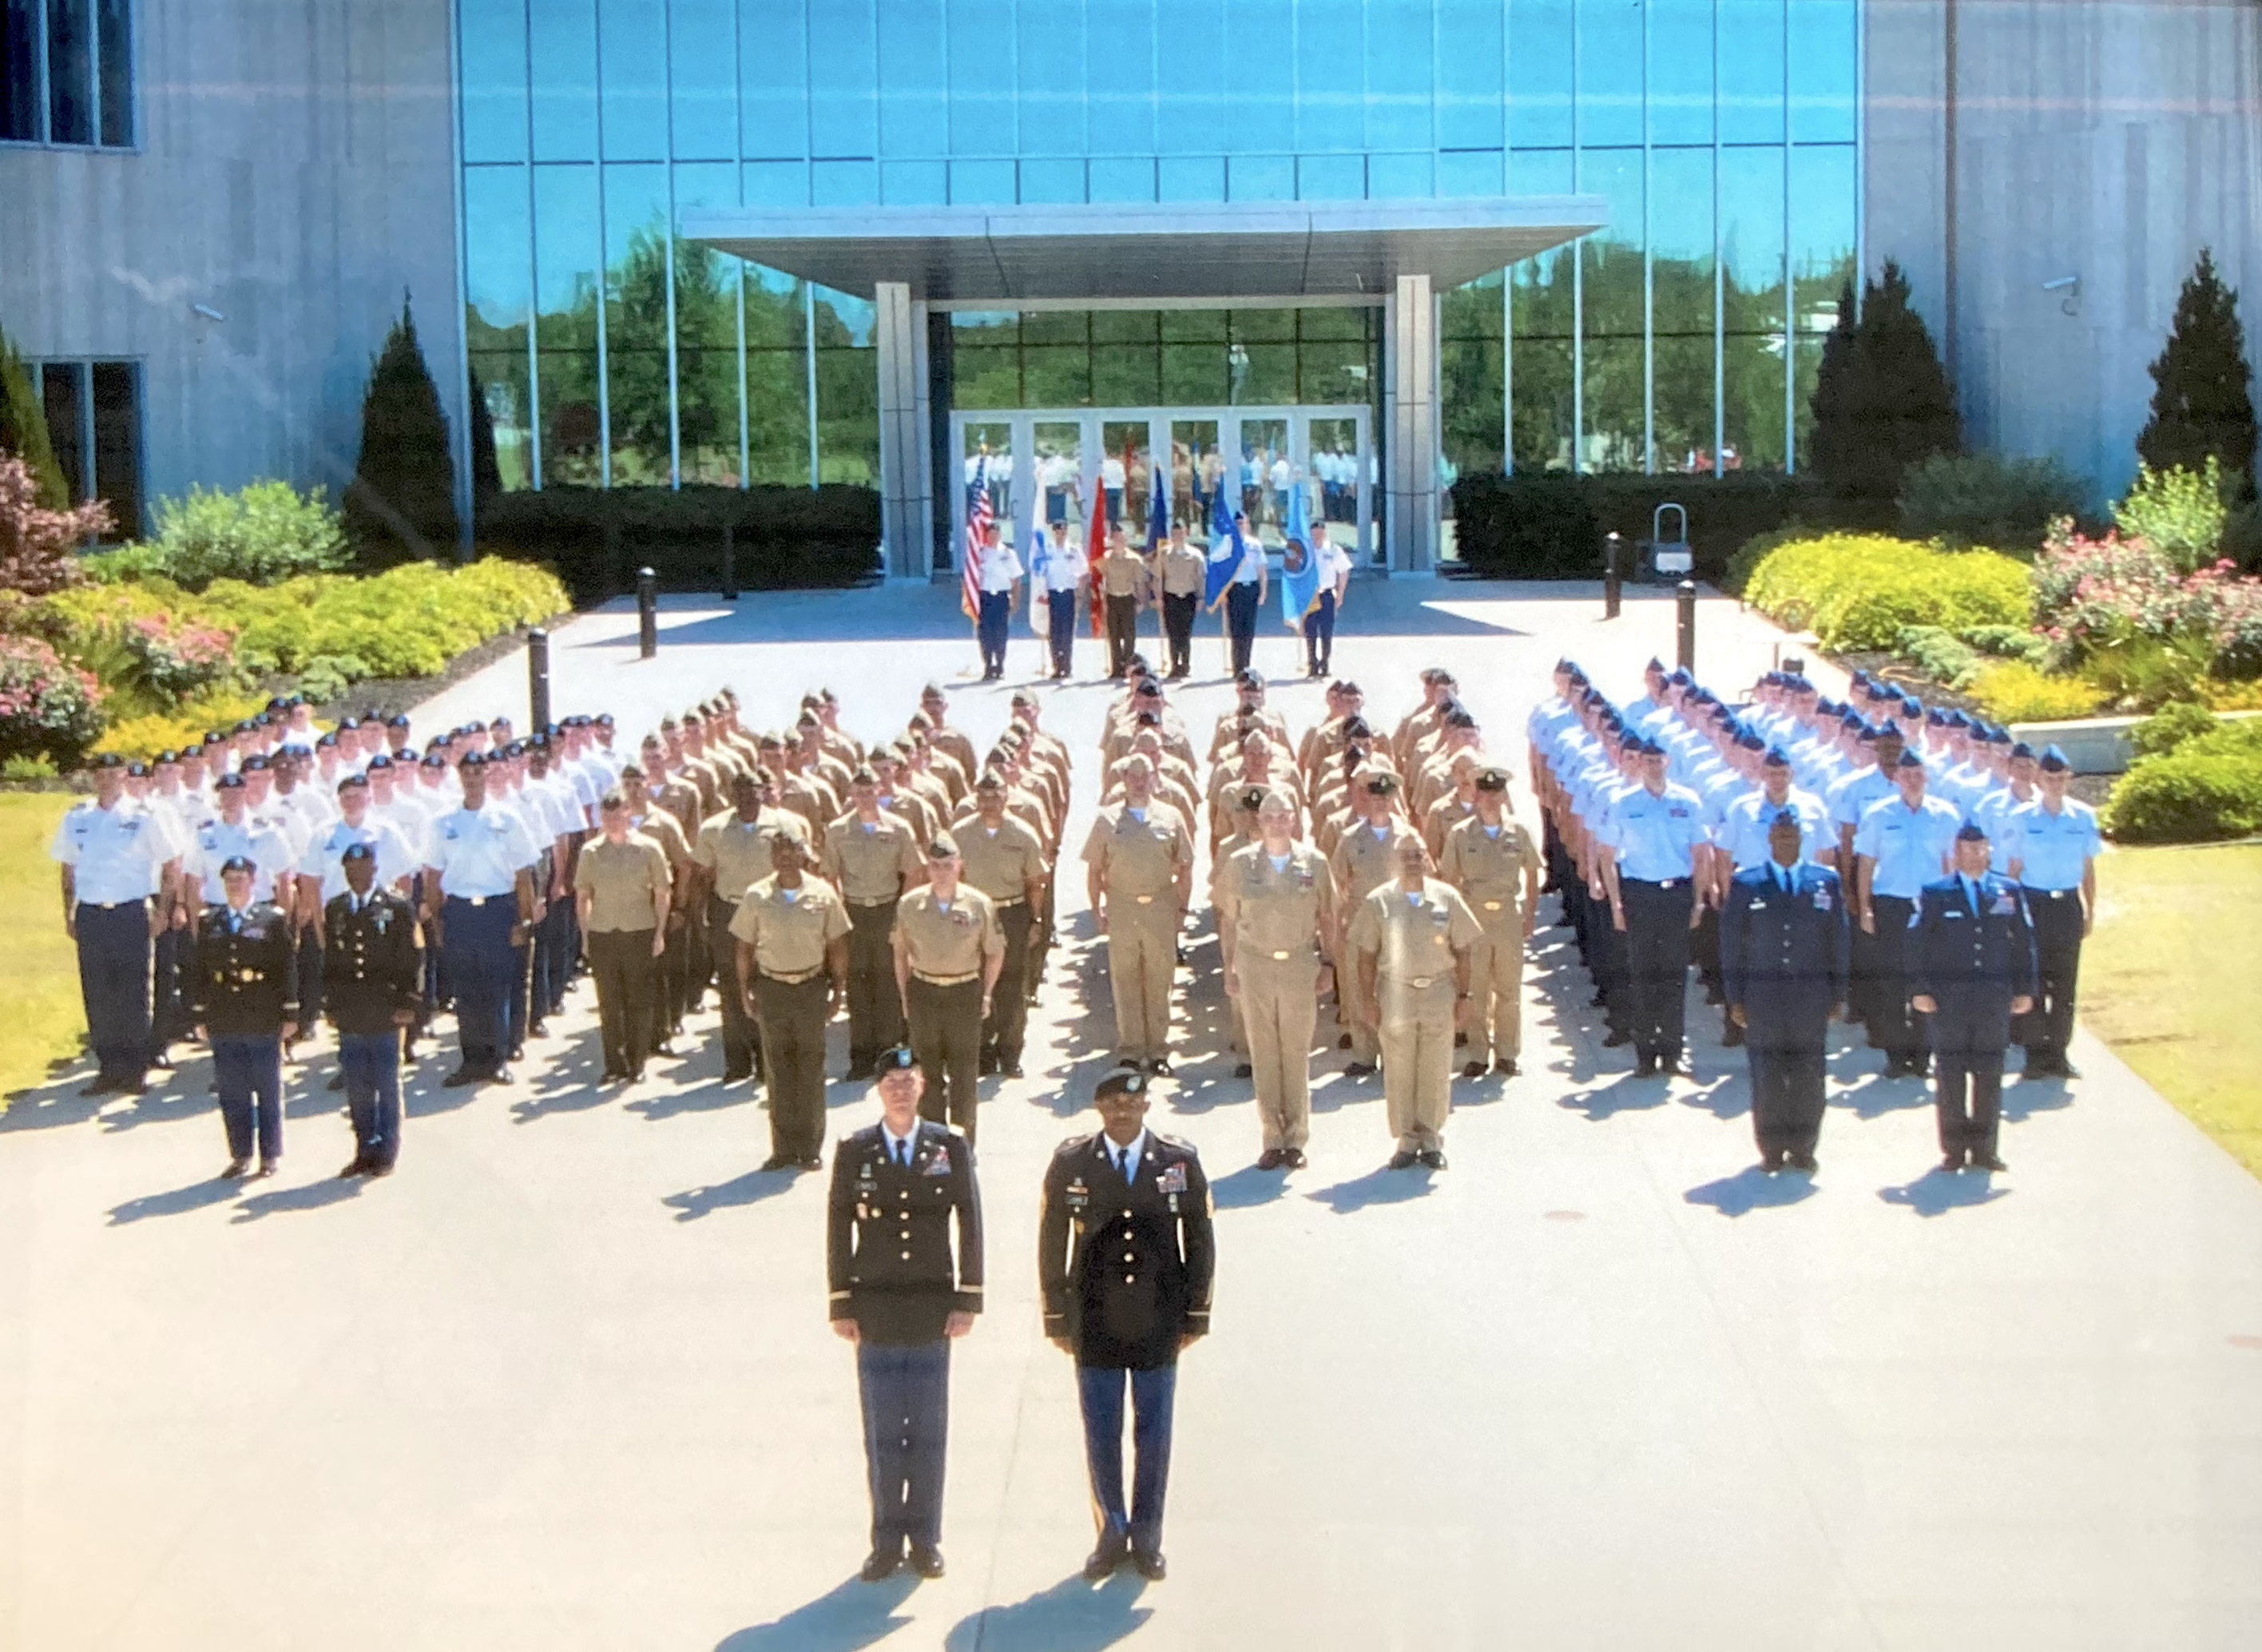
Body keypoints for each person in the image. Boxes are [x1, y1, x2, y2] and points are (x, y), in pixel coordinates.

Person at [1039, 1068, 1213, 1583]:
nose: (1123, 1112)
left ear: (1146, 1108)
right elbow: (1052, 1240)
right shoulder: (1073, 1162)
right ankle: (1111, 1533)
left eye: (1132, 1104)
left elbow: (1200, 1237)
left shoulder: (1178, 1160)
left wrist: (1196, 1313)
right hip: (1094, 1318)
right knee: (1102, 1434)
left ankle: (1149, 1538)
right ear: (1098, 1109)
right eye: (1113, 1104)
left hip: (1160, 1317)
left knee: (1154, 1435)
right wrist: (1055, 1314)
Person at [828, 1050, 983, 1583]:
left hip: (931, 1309)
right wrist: (841, 1301)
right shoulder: (856, 1149)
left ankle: (925, 1538)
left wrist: (969, 1297)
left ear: (923, 1086)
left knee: (928, 1429)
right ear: (878, 1090)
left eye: (908, 1081)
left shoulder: (949, 1145)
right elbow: (837, 1226)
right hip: (873, 1309)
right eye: (890, 1082)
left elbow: (971, 1221)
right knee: (882, 1431)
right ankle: (885, 1541)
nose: (899, 1090)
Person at [1720, 809, 1850, 1173]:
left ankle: (1805, 1147)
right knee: (1768, 1075)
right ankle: (1773, 1149)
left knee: (1810, 1075)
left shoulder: (1824, 881)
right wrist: (1736, 997)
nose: (1787, 840)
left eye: (1792, 834)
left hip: (1811, 996)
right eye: (1781, 834)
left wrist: (1839, 993)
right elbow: (1732, 944)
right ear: (1770, 839)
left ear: (1802, 837)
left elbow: (1838, 939)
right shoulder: (1748, 883)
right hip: (1764, 997)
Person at [1213, 788, 1336, 1171]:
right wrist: (1229, 967)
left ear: (1295, 819)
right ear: (1259, 822)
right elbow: (1228, 921)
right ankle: (1272, 1137)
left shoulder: (1314, 863)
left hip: (1299, 963)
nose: (1277, 822)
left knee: (1295, 1051)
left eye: (1284, 816)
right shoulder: (1240, 864)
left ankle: (1296, 1138)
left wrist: (1329, 964)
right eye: (1269, 817)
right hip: (1256, 964)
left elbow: (1329, 917)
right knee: (1264, 1052)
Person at [1346, 836, 1482, 1170]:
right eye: (1404, 855)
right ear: (1393, 861)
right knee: (1399, 1067)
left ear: (1428, 859)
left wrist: (1465, 997)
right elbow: (1365, 956)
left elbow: (1464, 951)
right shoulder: (1379, 901)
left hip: (1439, 990)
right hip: (1396, 992)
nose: (1412, 861)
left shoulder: (1446, 897)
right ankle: (1406, 1140)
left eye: (1418, 854)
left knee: (1436, 1067)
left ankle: (1432, 1139)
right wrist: (1367, 1001)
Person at [1911, 823, 2038, 1173]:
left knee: (1989, 1073)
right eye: (1966, 850)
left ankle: (1985, 1149)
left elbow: (2023, 941)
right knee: (1950, 1073)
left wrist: (2026, 989)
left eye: (1979, 848)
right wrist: (1919, 989)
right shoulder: (1936, 892)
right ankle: (1953, 1149)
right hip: (1948, 999)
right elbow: (1918, 943)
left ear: (1988, 849)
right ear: (1956, 852)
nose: (1973, 856)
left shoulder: (2007, 890)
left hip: (1992, 998)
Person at [50, 753, 178, 1098]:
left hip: (130, 911)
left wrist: (163, 911)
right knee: (98, 992)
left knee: (133, 992)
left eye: (113, 774)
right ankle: (108, 1067)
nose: (107, 780)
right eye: (101, 774)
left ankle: (136, 1068)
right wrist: (69, 912)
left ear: (124, 776)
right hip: (92, 913)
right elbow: (67, 869)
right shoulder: (78, 817)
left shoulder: (143, 816)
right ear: (94, 778)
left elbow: (171, 865)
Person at [420, 752, 542, 1087]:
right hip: (459, 911)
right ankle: (471, 1060)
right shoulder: (444, 823)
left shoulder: (507, 818)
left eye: (478, 772)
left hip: (497, 910)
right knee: (466, 991)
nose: (472, 779)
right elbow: (432, 875)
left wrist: (524, 920)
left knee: (497, 988)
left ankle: (498, 1059)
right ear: (459, 778)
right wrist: (437, 920)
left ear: (487, 775)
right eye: (467, 773)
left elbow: (522, 876)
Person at [730, 832, 850, 1171]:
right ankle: (783, 1148)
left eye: (791, 851)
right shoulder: (756, 896)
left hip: (810, 987)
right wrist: (744, 991)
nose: (784, 857)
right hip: (773, 988)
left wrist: (838, 993)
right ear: (771, 857)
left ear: (804, 855)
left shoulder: (823, 894)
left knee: (811, 1068)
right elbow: (744, 948)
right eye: (778, 851)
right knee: (778, 1069)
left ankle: (810, 1147)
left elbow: (837, 946)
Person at [1597, 737, 1710, 1078]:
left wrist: (1700, 899)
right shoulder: (1623, 802)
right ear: (1639, 764)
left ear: (1668, 761)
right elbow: (1606, 854)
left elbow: (1701, 853)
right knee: (1643, 974)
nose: (1653, 766)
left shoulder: (1687, 801)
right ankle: (1645, 1053)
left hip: (1677, 893)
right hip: (1640, 894)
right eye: (1647, 761)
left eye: (1658, 760)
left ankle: (1673, 1051)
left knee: (1675, 975)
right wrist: (1616, 903)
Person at [692, 772, 811, 1086]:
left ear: (764, 792)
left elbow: (803, 869)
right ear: (732, 794)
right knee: (732, 987)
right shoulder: (714, 829)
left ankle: (768, 1062)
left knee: (767, 985)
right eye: (740, 791)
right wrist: (699, 915)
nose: (746, 796)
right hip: (728, 910)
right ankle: (737, 1061)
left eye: (753, 790)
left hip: (771, 910)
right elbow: (703, 876)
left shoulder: (785, 826)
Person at [1852, 751, 1964, 1078]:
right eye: (1906, 774)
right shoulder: (1878, 814)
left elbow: (1951, 865)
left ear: (1926, 776)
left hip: (1932, 907)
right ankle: (1896, 1056)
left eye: (1918, 774)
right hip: (1892, 905)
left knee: (1929, 982)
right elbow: (1867, 863)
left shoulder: (1945, 815)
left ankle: (1924, 1054)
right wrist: (1865, 907)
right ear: (1896, 778)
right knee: (1891, 984)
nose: (1912, 780)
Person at [1081, 753, 1194, 1074]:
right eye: (1133, 776)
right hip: (1122, 906)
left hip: (1160, 905)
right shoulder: (1106, 820)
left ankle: (1158, 1050)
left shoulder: (1171, 817)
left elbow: (1185, 866)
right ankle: (1130, 1050)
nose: (1139, 781)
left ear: (1155, 778)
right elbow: (1094, 870)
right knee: (1126, 978)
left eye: (1145, 775)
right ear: (1124, 779)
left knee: (1161, 979)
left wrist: (1182, 910)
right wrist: (1095, 910)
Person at [190, 856, 298, 1180]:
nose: (234, 886)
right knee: (231, 1091)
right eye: (229, 880)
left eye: (240, 879)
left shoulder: (271, 919)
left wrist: (290, 1012)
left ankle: (270, 1155)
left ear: (253, 882)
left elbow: (287, 968)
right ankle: (240, 1154)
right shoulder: (211, 921)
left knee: (266, 1088)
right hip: (224, 1016)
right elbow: (200, 971)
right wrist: (199, 1014)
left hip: (262, 1014)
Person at [892, 835, 1005, 1142]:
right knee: (926, 1074)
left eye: (948, 865)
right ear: (927, 867)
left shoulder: (978, 903)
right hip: (924, 991)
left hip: (963, 991)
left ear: (959, 866)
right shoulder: (910, 904)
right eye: (935, 865)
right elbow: (900, 954)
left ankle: (962, 1144)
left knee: (964, 1074)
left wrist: (986, 993)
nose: (941, 871)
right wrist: (905, 996)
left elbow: (995, 951)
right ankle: (932, 1140)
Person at [323, 843, 423, 1177]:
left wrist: (409, 1002)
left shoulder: (395, 907)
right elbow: (332, 963)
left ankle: (387, 1151)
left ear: (374, 868)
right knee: (357, 1085)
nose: (357, 875)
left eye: (363, 868)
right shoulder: (336, 909)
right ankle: (364, 1147)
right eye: (350, 870)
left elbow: (411, 957)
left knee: (385, 1081)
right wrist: (331, 1005)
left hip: (385, 1008)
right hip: (352, 1010)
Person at [823, 770, 927, 1080]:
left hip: (887, 909)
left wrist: (902, 914)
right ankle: (861, 1056)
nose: (865, 797)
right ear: (851, 794)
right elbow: (829, 875)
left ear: (880, 790)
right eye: (859, 792)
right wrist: (839, 913)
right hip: (853, 911)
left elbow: (913, 872)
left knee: (889, 985)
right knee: (857, 984)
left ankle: (889, 1055)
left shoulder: (898, 828)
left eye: (870, 791)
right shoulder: (838, 830)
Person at [1437, 768, 1539, 1078]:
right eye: (1486, 794)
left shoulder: (1519, 832)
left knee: (1508, 989)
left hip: (1507, 916)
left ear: (1504, 796)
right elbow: (1449, 880)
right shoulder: (1461, 834)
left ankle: (1507, 1053)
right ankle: (1478, 1054)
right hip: (1474, 917)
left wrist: (1530, 915)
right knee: (1475, 989)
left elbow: (1533, 873)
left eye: (1498, 794)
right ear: (1476, 796)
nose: (1492, 800)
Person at [2005, 745, 2100, 1079]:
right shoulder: (2022, 818)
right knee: (2032, 981)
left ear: (2068, 778)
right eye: (2049, 778)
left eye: (2061, 778)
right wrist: (2007, 914)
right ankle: (2034, 1055)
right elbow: (2013, 869)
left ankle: (2058, 1053)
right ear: (2039, 778)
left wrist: (2090, 909)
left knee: (2064, 983)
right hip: (2033, 903)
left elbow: (2087, 869)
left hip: (2067, 905)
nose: (2056, 783)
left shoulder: (2083, 817)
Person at [574, 792, 673, 1084]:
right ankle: (614, 1064)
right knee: (609, 1002)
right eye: (606, 818)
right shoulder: (591, 852)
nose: (612, 823)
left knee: (638, 1001)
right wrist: (585, 935)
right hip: (604, 933)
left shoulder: (648, 848)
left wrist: (659, 933)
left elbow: (662, 892)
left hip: (638, 931)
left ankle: (637, 1061)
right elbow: (583, 896)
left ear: (629, 813)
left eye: (617, 816)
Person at [954, 773, 1048, 1081]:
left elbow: (1035, 882)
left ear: (1006, 798)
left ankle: (1010, 1053)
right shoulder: (961, 834)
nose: (989, 804)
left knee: (1011, 986)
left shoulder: (1022, 834)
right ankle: (982, 1052)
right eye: (983, 797)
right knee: (975, 983)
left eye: (995, 797)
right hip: (973, 916)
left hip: (1012, 913)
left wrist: (1035, 921)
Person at [1208, 512, 1267, 676]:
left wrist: (1263, 592)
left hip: (1251, 589)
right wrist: (1222, 594)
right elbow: (1218, 568)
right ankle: (1237, 667)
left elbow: (1262, 570)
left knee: (1249, 629)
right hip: (1234, 590)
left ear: (1248, 524)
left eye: (1243, 523)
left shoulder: (1255, 544)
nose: (1241, 526)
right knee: (1236, 629)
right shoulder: (1227, 544)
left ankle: (1246, 665)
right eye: (1238, 523)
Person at [1097, 527, 1151, 680]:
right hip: (1112, 599)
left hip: (1128, 599)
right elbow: (1102, 578)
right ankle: (1116, 668)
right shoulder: (1106, 559)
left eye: (1122, 539)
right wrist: (1102, 598)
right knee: (1113, 635)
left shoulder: (1134, 559)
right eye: (1116, 539)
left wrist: (1141, 601)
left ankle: (1128, 667)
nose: (1119, 542)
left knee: (1129, 635)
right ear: (1112, 540)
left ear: (1126, 540)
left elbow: (1140, 582)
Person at [1154, 523, 1206, 680]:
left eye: (1180, 533)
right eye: (1174, 533)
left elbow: (1200, 578)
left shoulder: (1195, 554)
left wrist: (1201, 597)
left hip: (1188, 597)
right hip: (1170, 597)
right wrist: (1158, 597)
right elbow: (1158, 577)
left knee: (1185, 632)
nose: (1177, 536)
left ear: (1186, 533)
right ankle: (1174, 664)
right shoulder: (1163, 554)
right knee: (1172, 632)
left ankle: (1185, 664)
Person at [1038, 519, 1088, 681]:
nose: (1061, 535)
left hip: (1068, 594)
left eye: (1064, 532)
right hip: (1052, 594)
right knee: (1054, 632)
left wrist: (1080, 594)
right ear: (1054, 533)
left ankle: (1067, 666)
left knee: (1067, 631)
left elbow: (1083, 573)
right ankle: (1056, 666)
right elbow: (1039, 573)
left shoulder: (1074, 550)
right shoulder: (1047, 550)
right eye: (1058, 532)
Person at [1302, 520, 1352, 677]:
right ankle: (1312, 663)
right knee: (1310, 631)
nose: (1317, 536)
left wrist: (1341, 593)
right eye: (1314, 533)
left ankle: (1325, 663)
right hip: (1309, 596)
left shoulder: (1333, 549)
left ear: (1325, 533)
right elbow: (1294, 572)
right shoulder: (1304, 550)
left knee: (1326, 631)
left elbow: (1344, 571)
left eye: (1320, 533)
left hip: (1327, 594)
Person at [972, 519, 1021, 681]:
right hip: (985, 598)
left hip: (1001, 597)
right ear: (986, 535)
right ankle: (987, 666)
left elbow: (1016, 579)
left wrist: (1015, 599)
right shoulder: (980, 554)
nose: (993, 537)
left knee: (1000, 633)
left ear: (1000, 535)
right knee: (985, 634)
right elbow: (971, 578)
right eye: (990, 534)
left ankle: (1000, 666)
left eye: (996, 534)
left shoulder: (1008, 554)